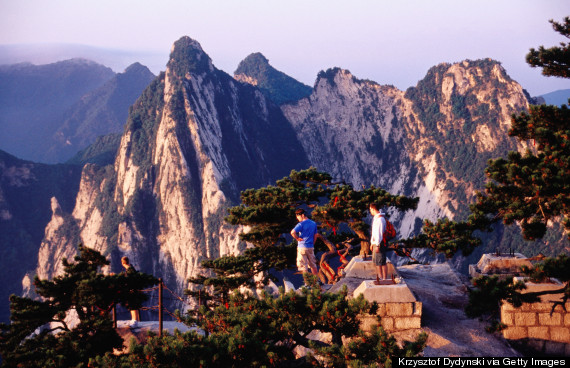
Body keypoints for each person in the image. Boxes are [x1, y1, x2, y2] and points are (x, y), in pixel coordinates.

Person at [290, 209, 319, 276]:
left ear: (302, 215)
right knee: (313, 265)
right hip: (310, 247)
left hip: (302, 247)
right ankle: (317, 281)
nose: (297, 218)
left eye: (298, 216)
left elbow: (292, 232)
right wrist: (312, 244)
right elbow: (315, 235)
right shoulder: (313, 223)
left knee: (303, 267)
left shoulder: (300, 224)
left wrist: (297, 238)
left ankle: (307, 284)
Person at [369, 203, 388, 285]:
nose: (370, 211)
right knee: (377, 262)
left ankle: (384, 278)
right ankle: (380, 277)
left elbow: (379, 233)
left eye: (370, 209)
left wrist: (377, 245)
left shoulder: (380, 220)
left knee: (382, 261)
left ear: (373, 209)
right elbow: (374, 233)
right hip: (375, 243)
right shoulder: (377, 218)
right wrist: (371, 243)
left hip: (379, 244)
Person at [121, 256, 141, 325]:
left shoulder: (130, 270)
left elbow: (130, 280)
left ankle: (134, 320)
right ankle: (134, 320)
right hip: (133, 289)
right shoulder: (131, 268)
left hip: (131, 289)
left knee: (133, 304)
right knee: (132, 304)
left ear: (122, 263)